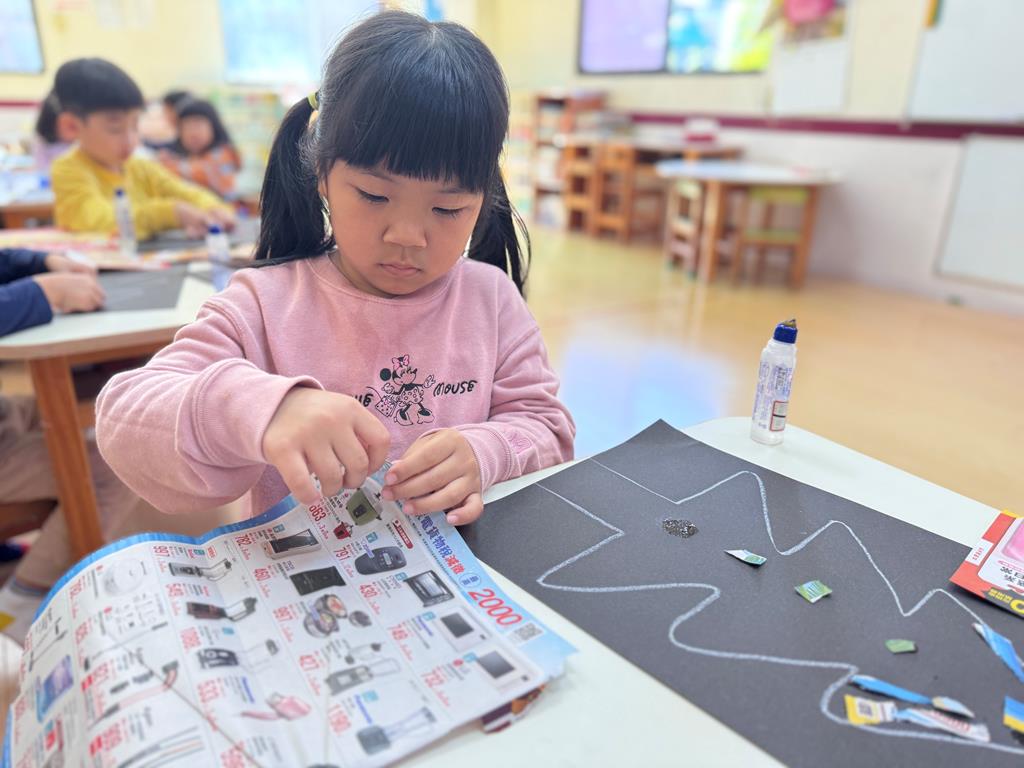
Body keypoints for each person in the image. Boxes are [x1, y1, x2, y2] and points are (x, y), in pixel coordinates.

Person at [95, 11, 574, 528]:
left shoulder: (491, 299)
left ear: (483, 198)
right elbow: (124, 419)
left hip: (457, 564)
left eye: (448, 207)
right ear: (321, 174)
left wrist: (488, 452)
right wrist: (263, 410)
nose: (407, 235)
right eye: (373, 195)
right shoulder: (264, 303)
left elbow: (548, 429)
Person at [49, 59, 235, 239]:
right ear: (71, 127)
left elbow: (188, 193)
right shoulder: (67, 170)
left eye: (135, 125)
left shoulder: (141, 167)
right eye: (115, 129)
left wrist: (214, 210)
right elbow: (98, 221)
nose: (131, 140)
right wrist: (171, 213)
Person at [158, 97, 241, 199]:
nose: (192, 133)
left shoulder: (222, 153)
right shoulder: (190, 157)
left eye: (198, 126)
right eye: (186, 127)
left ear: (214, 127)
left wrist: (169, 164)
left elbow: (203, 171)